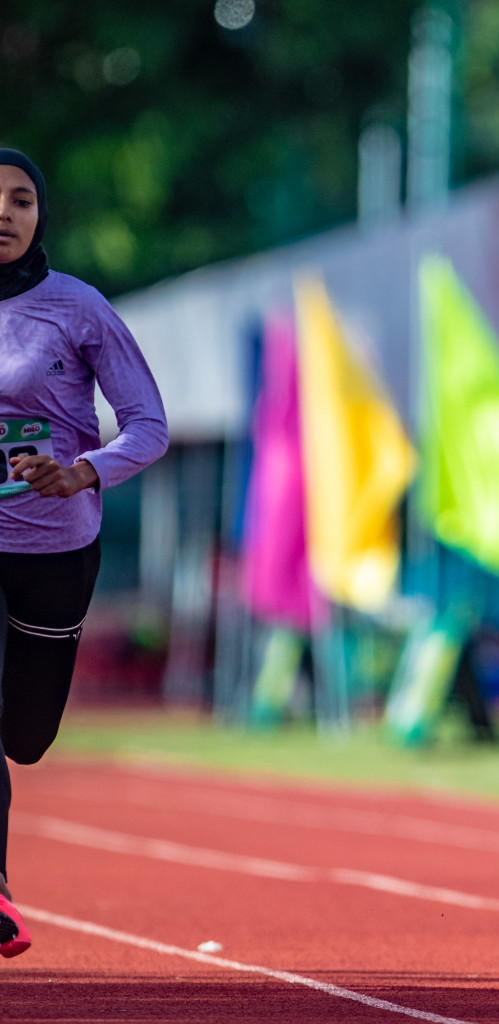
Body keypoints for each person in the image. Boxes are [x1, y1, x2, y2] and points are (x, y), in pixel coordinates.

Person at [0, 149, 169, 958]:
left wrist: (80, 473)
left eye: (21, 199)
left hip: (56, 549)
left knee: (24, 737)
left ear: (40, 216)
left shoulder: (78, 308)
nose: (4, 212)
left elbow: (149, 426)